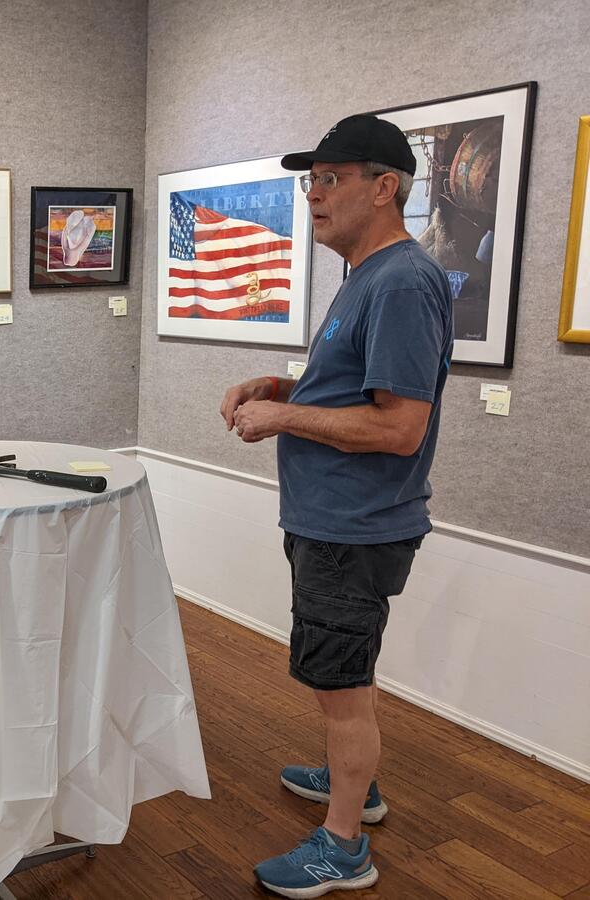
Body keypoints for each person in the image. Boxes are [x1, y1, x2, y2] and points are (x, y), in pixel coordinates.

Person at [219, 115, 452, 898]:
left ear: (384, 187)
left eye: (330, 178)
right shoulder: (366, 276)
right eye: (308, 180)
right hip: (332, 520)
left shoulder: (402, 282)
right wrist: (282, 387)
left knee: (342, 686)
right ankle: (359, 782)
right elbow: (356, 392)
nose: (313, 195)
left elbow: (399, 424)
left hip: (354, 528)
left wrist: (283, 418)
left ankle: (344, 845)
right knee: (344, 675)